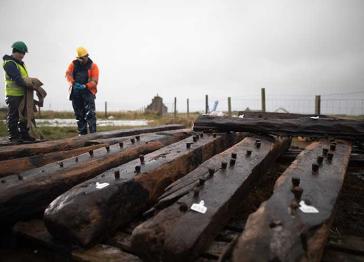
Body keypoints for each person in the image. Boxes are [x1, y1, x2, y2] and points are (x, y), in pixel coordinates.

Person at [2, 41, 35, 143]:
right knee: (14, 116)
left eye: (24, 53)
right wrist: (30, 84)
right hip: (13, 95)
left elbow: (23, 78)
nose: (22, 55)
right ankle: (14, 137)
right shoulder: (9, 63)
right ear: (14, 52)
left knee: (25, 115)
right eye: (20, 53)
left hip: (23, 94)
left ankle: (24, 135)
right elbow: (17, 79)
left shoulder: (20, 63)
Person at [66, 47, 99, 135]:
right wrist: (73, 82)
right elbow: (68, 74)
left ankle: (93, 134)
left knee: (90, 114)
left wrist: (86, 86)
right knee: (79, 115)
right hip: (76, 94)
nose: (83, 59)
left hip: (88, 93)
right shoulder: (73, 64)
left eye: (85, 57)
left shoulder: (93, 66)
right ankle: (82, 135)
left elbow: (95, 81)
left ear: (87, 56)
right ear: (78, 58)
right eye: (81, 58)